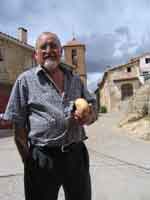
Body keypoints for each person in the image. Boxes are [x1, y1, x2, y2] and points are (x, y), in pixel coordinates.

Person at [4, 32, 97, 200]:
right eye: (43, 47)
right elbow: (18, 126)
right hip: (43, 157)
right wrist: (29, 161)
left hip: (76, 155)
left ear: (60, 51)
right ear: (36, 54)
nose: (49, 50)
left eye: (53, 46)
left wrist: (88, 116)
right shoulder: (25, 81)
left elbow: (93, 111)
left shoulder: (75, 79)